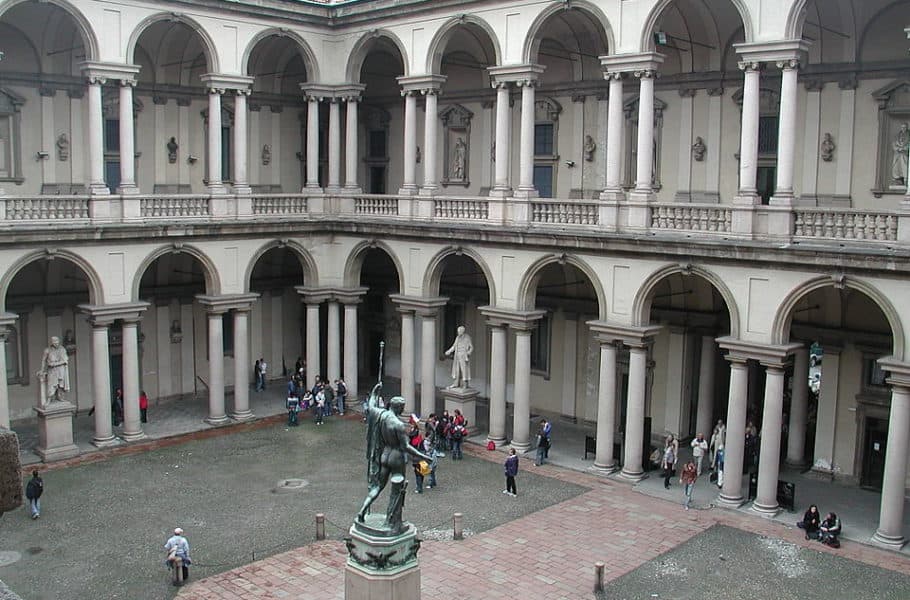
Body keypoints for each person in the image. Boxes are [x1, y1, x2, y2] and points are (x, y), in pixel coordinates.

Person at [356, 382, 432, 533]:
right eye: (403, 407)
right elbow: (406, 447)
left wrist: (374, 391)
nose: (404, 410)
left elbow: (371, 406)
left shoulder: (381, 415)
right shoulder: (398, 425)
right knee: (397, 489)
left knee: (377, 487)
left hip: (385, 454)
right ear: (399, 408)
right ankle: (393, 521)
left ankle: (362, 511)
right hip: (396, 457)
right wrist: (423, 456)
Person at [37, 336, 70, 405]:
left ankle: (59, 397)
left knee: (60, 384)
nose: (56, 343)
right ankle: (49, 399)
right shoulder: (47, 350)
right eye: (54, 342)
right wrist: (42, 370)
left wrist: (56, 363)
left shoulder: (62, 349)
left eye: (57, 341)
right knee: (51, 385)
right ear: (51, 342)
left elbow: (65, 360)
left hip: (61, 369)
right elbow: (44, 360)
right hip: (52, 370)